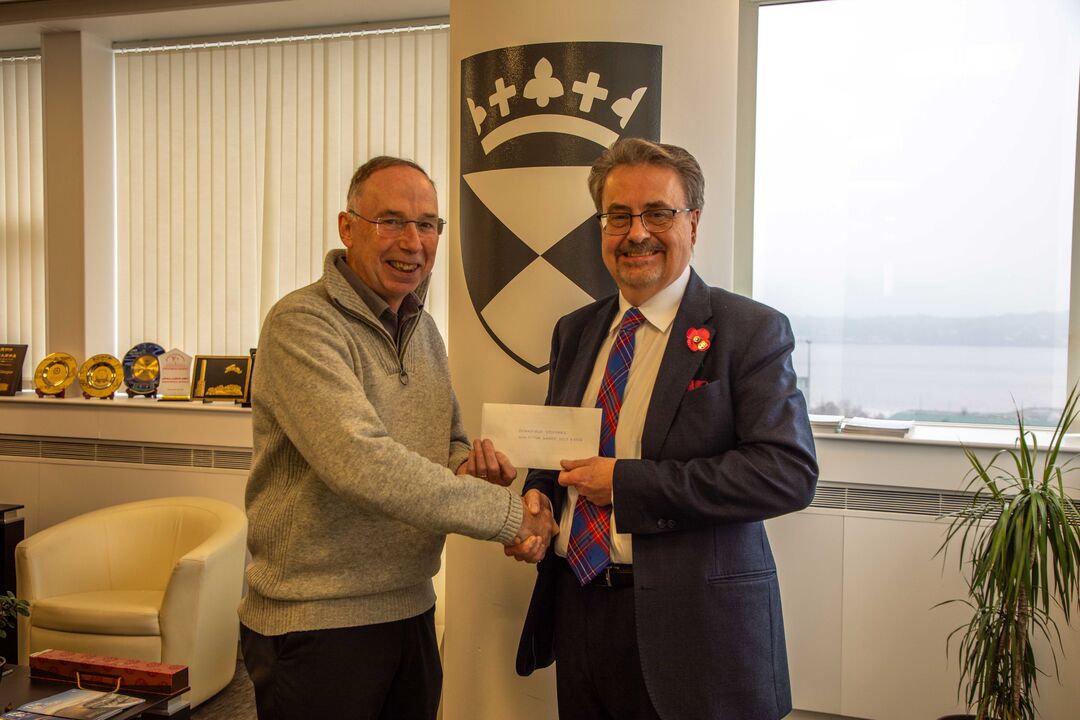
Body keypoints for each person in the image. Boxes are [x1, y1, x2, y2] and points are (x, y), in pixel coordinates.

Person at [511, 138, 819, 720]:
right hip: (580, 610)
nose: (637, 233)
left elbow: (788, 473)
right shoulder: (574, 332)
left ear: (693, 223)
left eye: (658, 213)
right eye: (618, 216)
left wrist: (628, 485)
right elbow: (561, 447)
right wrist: (538, 496)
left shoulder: (747, 330)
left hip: (697, 635)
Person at [240, 155, 554, 720]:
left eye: (428, 224)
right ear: (347, 226)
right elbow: (360, 463)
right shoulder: (301, 324)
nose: (413, 241)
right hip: (319, 622)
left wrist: (468, 466)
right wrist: (509, 517)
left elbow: (447, 440)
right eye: (391, 221)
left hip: (409, 607)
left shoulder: (422, 327)